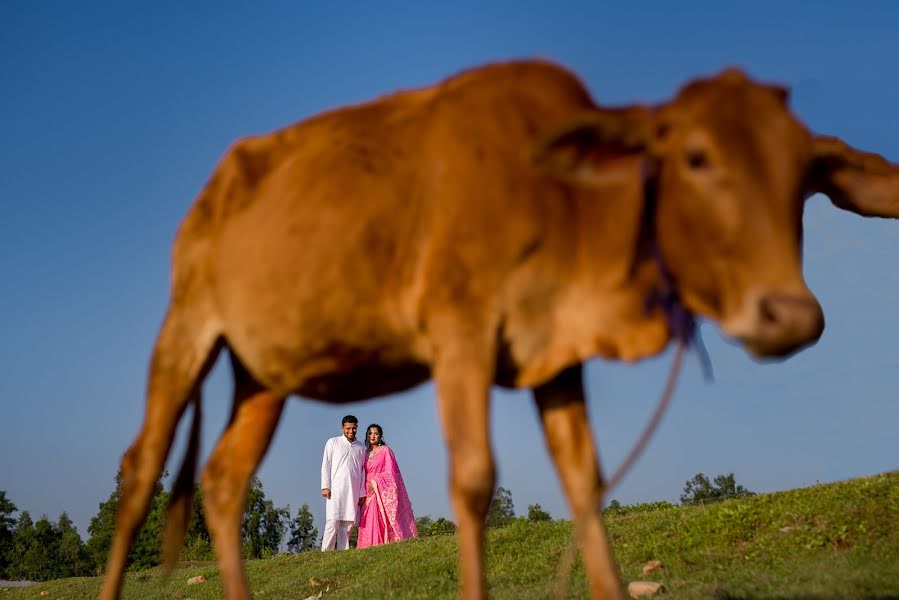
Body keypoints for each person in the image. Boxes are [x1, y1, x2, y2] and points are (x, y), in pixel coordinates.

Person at [356, 423, 418, 548]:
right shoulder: (364, 453)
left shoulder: (385, 451)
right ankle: (365, 546)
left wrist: (376, 482)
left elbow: (391, 473)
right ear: (367, 435)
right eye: (370, 433)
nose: (373, 436)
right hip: (367, 493)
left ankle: (381, 543)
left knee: (377, 517)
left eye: (376, 433)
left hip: (379, 490)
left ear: (380, 436)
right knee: (366, 520)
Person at [320, 415, 367, 551]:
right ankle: (325, 552)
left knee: (347, 523)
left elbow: (364, 471)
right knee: (332, 521)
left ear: (357, 428)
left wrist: (361, 493)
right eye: (348, 428)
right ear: (342, 428)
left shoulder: (361, 447)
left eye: (353, 428)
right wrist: (325, 486)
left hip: (352, 490)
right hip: (335, 490)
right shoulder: (333, 442)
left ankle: (343, 551)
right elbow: (326, 465)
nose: (351, 431)